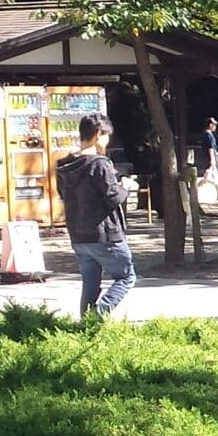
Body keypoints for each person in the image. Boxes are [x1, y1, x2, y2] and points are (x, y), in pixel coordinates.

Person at [55, 113, 135, 317]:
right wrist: (125, 186)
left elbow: (62, 194)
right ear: (99, 134)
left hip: (79, 235)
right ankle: (100, 314)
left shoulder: (64, 165)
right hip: (105, 234)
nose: (107, 141)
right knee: (126, 277)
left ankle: (86, 324)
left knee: (90, 283)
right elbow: (113, 196)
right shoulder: (100, 164)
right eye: (107, 136)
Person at [198, 117, 218, 203]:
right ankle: (196, 187)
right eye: (214, 125)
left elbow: (213, 149)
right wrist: (212, 160)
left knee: (212, 176)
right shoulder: (208, 135)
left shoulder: (209, 134)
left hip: (212, 157)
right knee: (208, 177)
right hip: (210, 158)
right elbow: (210, 148)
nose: (215, 127)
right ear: (210, 125)